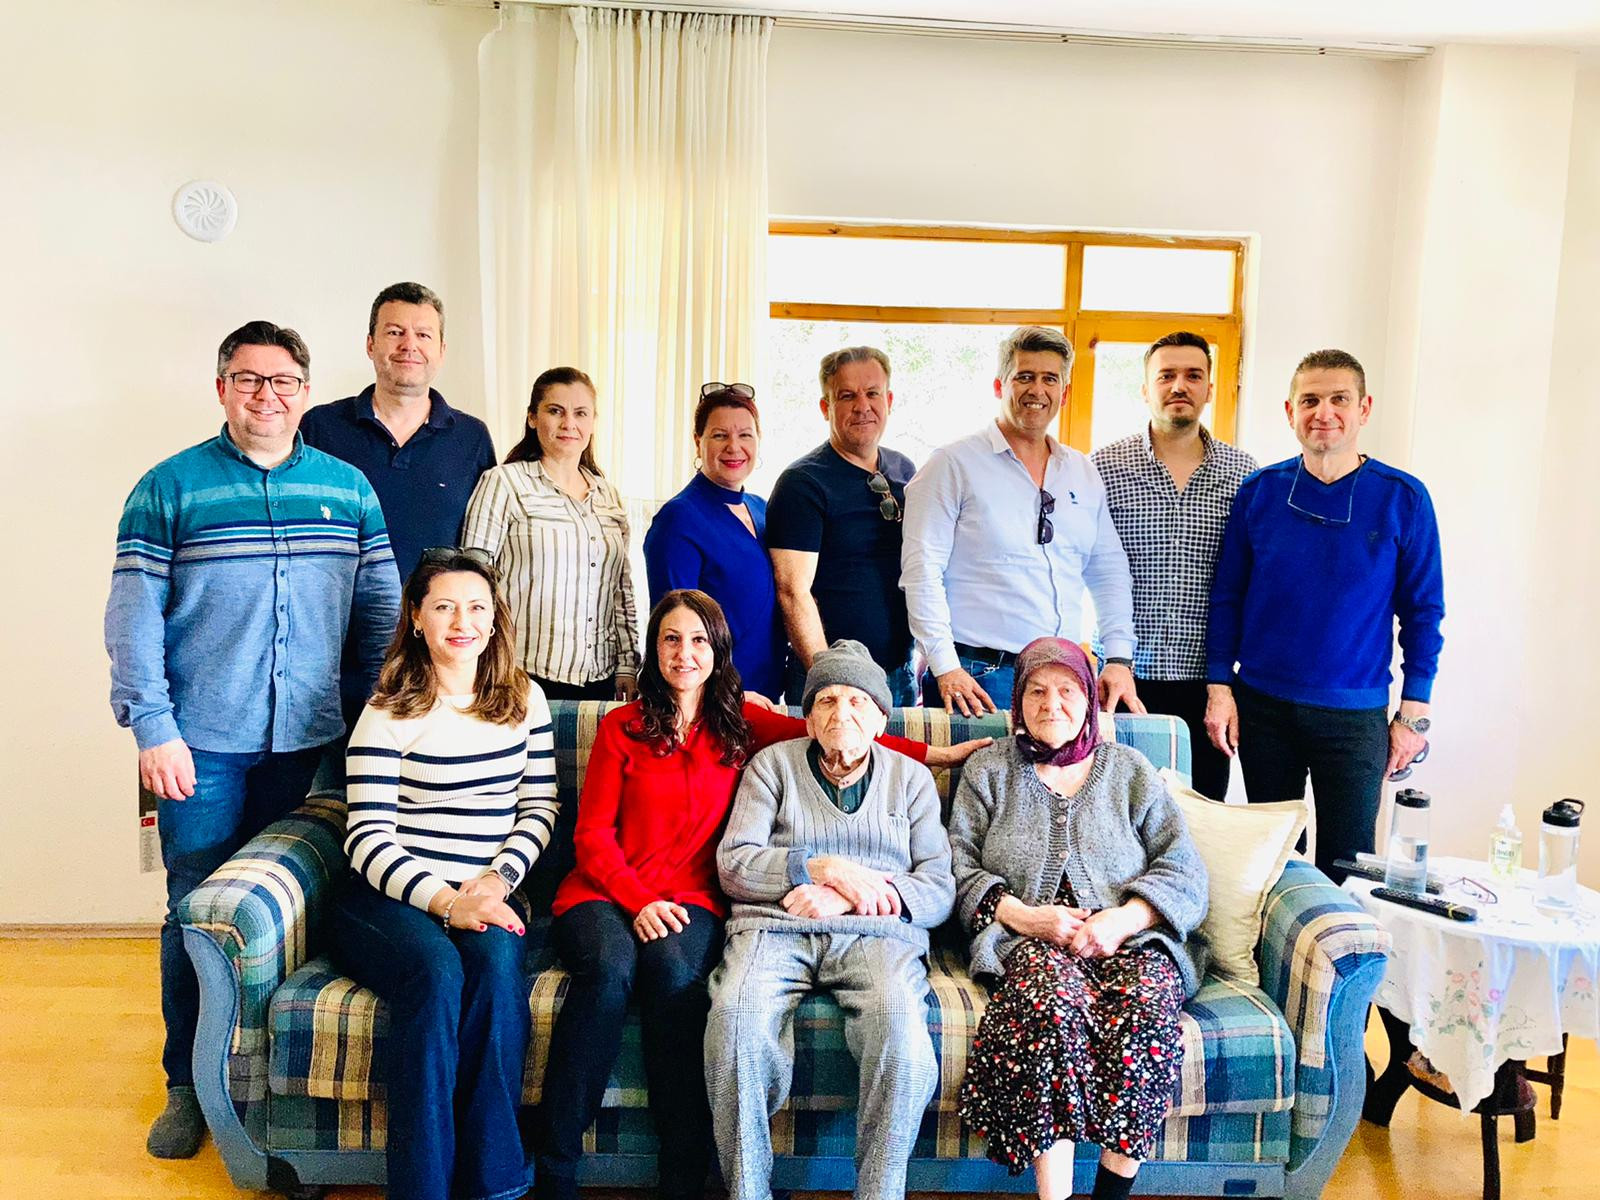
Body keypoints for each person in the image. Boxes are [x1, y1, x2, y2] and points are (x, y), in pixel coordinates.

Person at [534, 595, 988, 1200]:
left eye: (699, 640)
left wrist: (935, 756)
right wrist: (644, 900)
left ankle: (689, 1177)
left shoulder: (741, 724)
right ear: (654, 649)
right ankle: (566, 1167)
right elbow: (608, 840)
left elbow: (842, 735)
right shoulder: (635, 730)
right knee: (635, 982)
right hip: (645, 898)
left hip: (736, 908)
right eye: (671, 639)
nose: (685, 653)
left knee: (679, 979)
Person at [105, 320, 400, 1159]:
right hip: (198, 746)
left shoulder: (347, 489)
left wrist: (387, 711)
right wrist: (152, 729)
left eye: (283, 381)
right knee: (195, 912)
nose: (266, 395)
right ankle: (188, 1084)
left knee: (287, 912)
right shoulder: (169, 487)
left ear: (306, 392)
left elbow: (381, 607)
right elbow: (132, 617)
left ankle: (254, 1078)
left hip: (309, 741)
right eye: (248, 379)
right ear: (222, 388)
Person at [328, 550, 559, 1200]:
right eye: (445, 607)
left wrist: (498, 880)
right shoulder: (387, 711)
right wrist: (445, 902)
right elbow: (367, 839)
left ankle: (494, 1184)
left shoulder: (525, 699)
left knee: (496, 968)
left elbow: (540, 807)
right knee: (436, 974)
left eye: (477, 607)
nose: (463, 622)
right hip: (391, 898)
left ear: (495, 618)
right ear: (417, 617)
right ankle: (421, 1188)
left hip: (488, 892)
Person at [947, 638, 1209, 1200]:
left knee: (1146, 1010)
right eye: (1037, 691)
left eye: (1067, 691)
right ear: (1017, 702)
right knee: (1050, 1009)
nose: (1052, 704)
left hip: (1132, 939)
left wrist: (1126, 918)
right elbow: (956, 865)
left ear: (1089, 699)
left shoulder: (1129, 769)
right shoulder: (989, 769)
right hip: (1030, 940)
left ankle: (1111, 1195)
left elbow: (1184, 868)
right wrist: (1024, 917)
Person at [706, 640, 957, 1200]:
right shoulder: (771, 767)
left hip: (877, 935)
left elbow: (939, 889)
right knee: (735, 1020)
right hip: (774, 927)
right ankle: (747, 1192)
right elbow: (734, 864)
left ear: (881, 717)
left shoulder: (911, 779)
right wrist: (817, 867)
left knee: (902, 1037)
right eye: (826, 700)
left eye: (856, 701)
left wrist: (847, 896)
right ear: (808, 716)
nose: (841, 712)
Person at [1204, 349, 1444, 879]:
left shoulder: (1403, 498)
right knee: (1274, 860)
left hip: (1354, 716)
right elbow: (1227, 596)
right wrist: (1220, 688)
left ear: (1364, 409)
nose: (1324, 412)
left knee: (1350, 863)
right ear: (1290, 411)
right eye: (1310, 400)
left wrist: (1414, 713)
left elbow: (1424, 613)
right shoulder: (1259, 493)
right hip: (1264, 708)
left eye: (1339, 399)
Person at [901, 325, 1139, 718]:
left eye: (1050, 379)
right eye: (1024, 377)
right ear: (1000, 386)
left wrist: (1118, 658)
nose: (1037, 390)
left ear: (1064, 393)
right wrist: (945, 666)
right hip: (977, 679)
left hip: (1064, 680)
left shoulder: (1081, 471)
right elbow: (921, 571)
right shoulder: (952, 464)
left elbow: (1108, 570)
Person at [1091, 332, 1257, 800]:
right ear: (1146, 389)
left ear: (1209, 389)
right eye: (1166, 376)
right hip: (1123, 677)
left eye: (1193, 375)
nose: (1179, 386)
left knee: (1201, 813)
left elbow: (1252, 579)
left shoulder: (1244, 474)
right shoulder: (1103, 468)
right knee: (1116, 810)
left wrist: (1227, 683)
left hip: (1210, 684)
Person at [461, 367, 639, 701]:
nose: (569, 423)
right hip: (520, 674)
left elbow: (620, 589)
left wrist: (627, 664)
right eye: (555, 411)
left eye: (580, 413)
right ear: (532, 418)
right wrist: (480, 664)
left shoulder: (608, 496)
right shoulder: (504, 483)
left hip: (600, 679)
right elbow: (471, 581)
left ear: (592, 422)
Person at [300, 282, 497, 582]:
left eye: (423, 335)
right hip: (337, 609)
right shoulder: (320, 427)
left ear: (441, 350)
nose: (409, 345)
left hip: (434, 612)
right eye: (394, 332)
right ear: (370, 344)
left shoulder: (472, 438)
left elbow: (481, 550)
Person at [767, 346, 918, 705]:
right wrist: (829, 681)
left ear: (889, 400)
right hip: (835, 682)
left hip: (899, 673)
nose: (862, 406)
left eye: (872, 393)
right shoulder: (802, 483)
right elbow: (792, 592)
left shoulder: (904, 470)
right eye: (847, 396)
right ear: (826, 407)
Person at [644, 383, 784, 701]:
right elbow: (672, 630)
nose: (734, 447)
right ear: (698, 442)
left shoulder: (763, 510)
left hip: (770, 695)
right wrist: (726, 696)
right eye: (720, 435)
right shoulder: (679, 518)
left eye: (745, 435)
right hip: (717, 701)